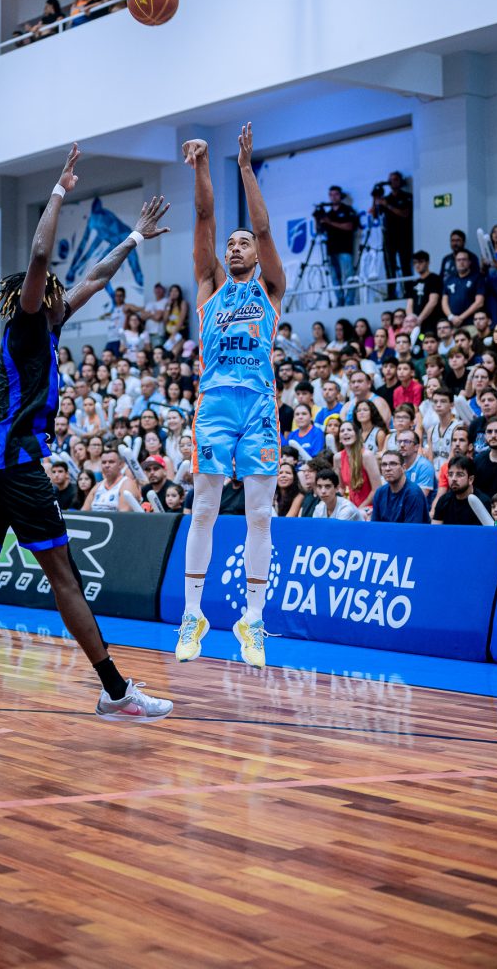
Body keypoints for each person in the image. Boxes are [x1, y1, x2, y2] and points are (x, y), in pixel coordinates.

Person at [0, 145, 173, 750]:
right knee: (64, 578)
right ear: (37, 298)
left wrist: (134, 238)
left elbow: (96, 277)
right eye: (55, 291)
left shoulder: (51, 325)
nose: (66, 295)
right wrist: (60, 189)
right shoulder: (29, 321)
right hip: (13, 464)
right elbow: (40, 256)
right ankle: (115, 692)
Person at [174, 123, 285, 670]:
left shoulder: (270, 287)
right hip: (215, 405)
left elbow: (262, 226)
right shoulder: (210, 286)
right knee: (204, 510)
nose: (236, 246)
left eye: (244, 243)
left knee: (260, 515)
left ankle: (254, 619)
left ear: (257, 255)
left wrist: (244, 167)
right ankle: (193, 614)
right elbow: (203, 217)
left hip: (259, 406)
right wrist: (201, 165)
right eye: (231, 244)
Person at [316, 186, 358, 306]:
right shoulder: (328, 214)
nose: (333, 197)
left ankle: (349, 301)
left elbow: (349, 226)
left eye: (336, 194)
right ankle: (340, 301)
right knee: (335, 278)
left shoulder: (347, 210)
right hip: (331, 250)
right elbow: (319, 231)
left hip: (345, 248)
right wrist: (317, 219)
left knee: (348, 275)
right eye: (331, 195)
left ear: (340, 196)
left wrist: (329, 222)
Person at [375, 171, 413, 284]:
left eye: (395, 179)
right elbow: (375, 215)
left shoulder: (407, 197)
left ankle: (408, 289)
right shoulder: (386, 198)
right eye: (390, 180)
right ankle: (391, 291)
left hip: (403, 235)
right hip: (389, 236)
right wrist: (375, 199)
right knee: (389, 265)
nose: (392, 182)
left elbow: (405, 213)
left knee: (405, 265)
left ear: (400, 181)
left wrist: (387, 205)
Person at [372, 451, 430, 523]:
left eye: (393, 464)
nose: (387, 468)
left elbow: (411, 529)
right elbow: (374, 526)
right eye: (384, 464)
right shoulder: (380, 493)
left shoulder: (413, 494)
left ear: (403, 468)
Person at [432, 456, 489, 525]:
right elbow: (435, 529)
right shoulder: (443, 501)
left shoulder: (484, 502)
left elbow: (496, 525)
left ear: (471, 479)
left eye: (459, 475)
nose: (453, 479)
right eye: (450, 474)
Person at [442, 250, 485, 327]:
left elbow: (479, 302)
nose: (461, 262)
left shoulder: (477, 278)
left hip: (471, 324)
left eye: (464, 259)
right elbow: (444, 302)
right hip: (452, 325)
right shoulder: (449, 279)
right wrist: (451, 317)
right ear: (455, 262)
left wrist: (460, 318)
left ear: (469, 262)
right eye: (458, 260)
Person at [405, 251, 442, 334]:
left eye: (420, 262)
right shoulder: (414, 283)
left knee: (428, 339)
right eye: (415, 263)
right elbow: (409, 304)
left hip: (431, 322)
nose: (417, 265)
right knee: (420, 339)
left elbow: (433, 301)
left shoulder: (434, 279)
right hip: (417, 325)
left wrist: (419, 319)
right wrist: (411, 320)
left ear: (427, 263)